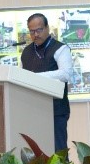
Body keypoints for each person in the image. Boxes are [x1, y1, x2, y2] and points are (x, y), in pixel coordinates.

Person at [20, 13, 74, 151]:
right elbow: (22, 77)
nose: (35, 34)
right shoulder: (26, 51)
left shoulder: (61, 49)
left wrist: (36, 77)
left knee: (58, 150)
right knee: (36, 151)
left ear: (47, 28)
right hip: (32, 109)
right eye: (32, 31)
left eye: (39, 30)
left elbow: (66, 74)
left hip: (56, 109)